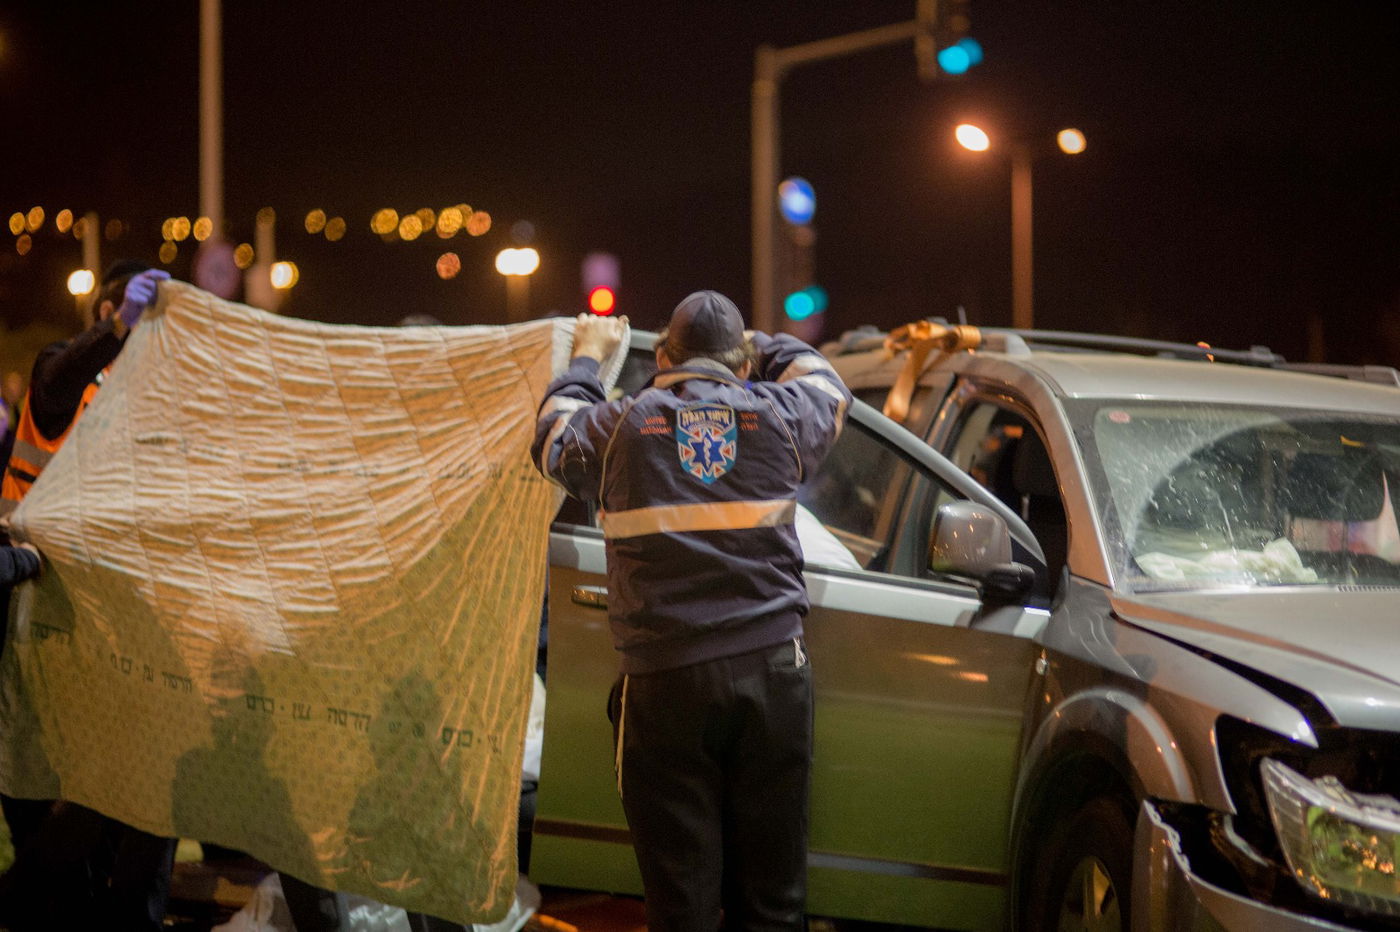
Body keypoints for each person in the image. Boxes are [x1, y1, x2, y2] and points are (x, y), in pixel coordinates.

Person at [531, 291, 851, 930]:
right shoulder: (781, 415)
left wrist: (587, 359)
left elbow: (553, 436)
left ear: (662, 357)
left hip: (666, 684)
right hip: (772, 676)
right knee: (775, 904)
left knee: (682, 906)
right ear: (742, 363)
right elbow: (825, 382)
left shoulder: (622, 427)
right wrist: (756, 343)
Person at [0, 260, 175, 931]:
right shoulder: (66, 373)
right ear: (106, 311)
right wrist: (120, 325)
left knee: (137, 796)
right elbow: (57, 377)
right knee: (62, 804)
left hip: (113, 626)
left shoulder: (151, 399)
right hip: (39, 615)